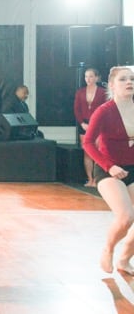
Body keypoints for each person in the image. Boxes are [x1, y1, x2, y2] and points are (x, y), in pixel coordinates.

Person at [82, 66, 134, 275]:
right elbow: (87, 143)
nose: (129, 82)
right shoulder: (104, 111)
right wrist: (109, 166)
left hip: (132, 168)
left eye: (132, 79)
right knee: (126, 217)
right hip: (108, 169)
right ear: (112, 85)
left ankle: (124, 259)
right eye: (123, 79)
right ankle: (108, 249)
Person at [74, 67, 107, 187]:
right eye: (86, 76)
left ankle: (98, 179)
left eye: (91, 76)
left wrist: (95, 124)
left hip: (98, 124)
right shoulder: (80, 92)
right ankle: (90, 179)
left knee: (98, 151)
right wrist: (82, 123)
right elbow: (77, 109)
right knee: (87, 152)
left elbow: (105, 109)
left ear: (97, 78)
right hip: (84, 124)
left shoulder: (103, 92)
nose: (88, 79)